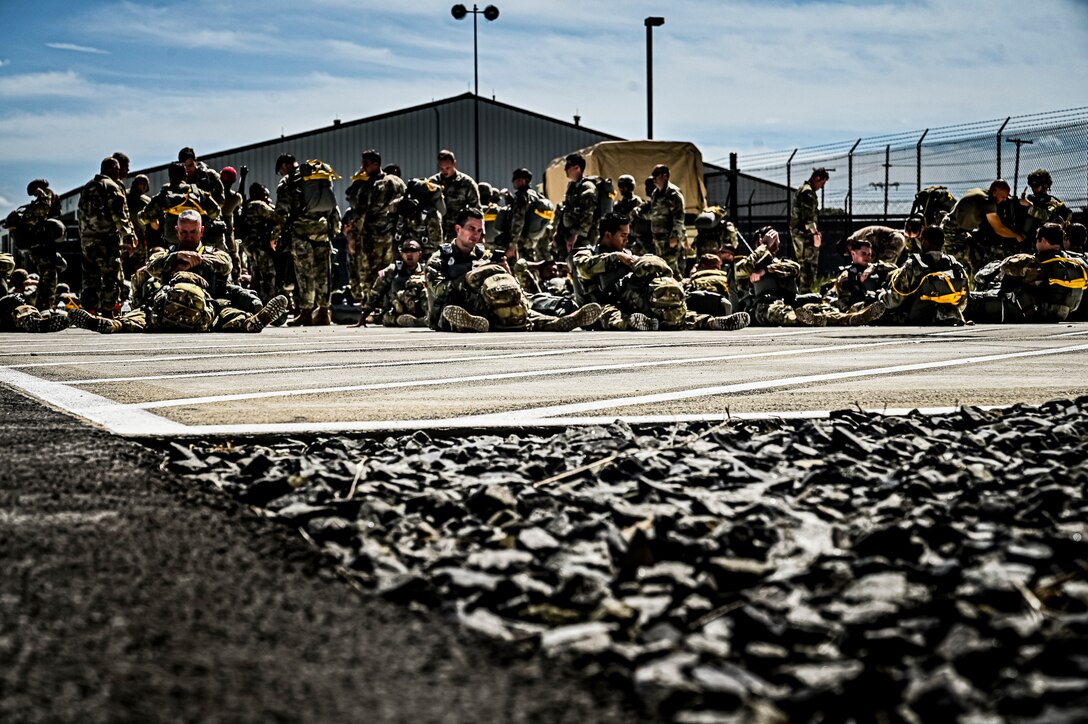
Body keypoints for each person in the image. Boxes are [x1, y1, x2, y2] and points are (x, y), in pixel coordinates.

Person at [70, 210, 287, 334]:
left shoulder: (213, 253)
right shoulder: (167, 254)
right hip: (166, 305)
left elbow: (227, 264)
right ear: (177, 231)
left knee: (227, 313)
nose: (189, 236)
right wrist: (176, 258)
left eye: (193, 232)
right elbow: (151, 266)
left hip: (208, 305)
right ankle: (109, 324)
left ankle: (252, 322)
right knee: (141, 315)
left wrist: (199, 259)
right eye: (184, 232)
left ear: (201, 231)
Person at [425, 208, 600, 333]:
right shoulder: (440, 258)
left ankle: (557, 322)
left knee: (514, 310)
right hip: (453, 308)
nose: (476, 235)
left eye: (479, 231)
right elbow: (438, 290)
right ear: (458, 229)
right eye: (471, 229)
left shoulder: (484, 255)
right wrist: (468, 278)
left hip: (486, 305)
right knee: (451, 312)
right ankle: (471, 323)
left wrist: (505, 272)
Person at [737, 226, 885, 327]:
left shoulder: (781, 262)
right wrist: (764, 246)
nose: (775, 243)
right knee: (780, 312)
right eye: (772, 240)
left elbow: (794, 268)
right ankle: (803, 320)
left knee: (819, 308)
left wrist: (766, 271)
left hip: (792, 301)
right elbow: (742, 269)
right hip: (764, 306)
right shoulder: (749, 264)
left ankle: (850, 318)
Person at [967, 223, 1086, 324]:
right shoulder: (1073, 262)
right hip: (1061, 313)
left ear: (1043, 240)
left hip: (1033, 312)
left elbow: (1004, 281)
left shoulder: (1035, 261)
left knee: (970, 300)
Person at [346, 150, 407, 323]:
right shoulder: (398, 183)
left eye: (366, 164)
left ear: (376, 164)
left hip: (371, 238)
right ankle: (388, 308)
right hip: (393, 237)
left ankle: (370, 310)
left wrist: (353, 238)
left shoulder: (368, 185)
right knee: (390, 272)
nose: (363, 167)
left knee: (370, 275)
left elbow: (360, 213)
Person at [275, 153, 335, 326]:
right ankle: (324, 312)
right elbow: (333, 208)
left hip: (302, 233)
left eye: (280, 171)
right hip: (323, 232)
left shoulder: (289, 181)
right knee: (324, 273)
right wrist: (333, 229)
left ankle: (306, 312)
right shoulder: (317, 175)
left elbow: (281, 211)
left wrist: (275, 235)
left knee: (305, 274)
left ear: (284, 166)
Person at [77, 157, 137, 317]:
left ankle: (89, 311)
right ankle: (107, 313)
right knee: (111, 277)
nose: (120, 173)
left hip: (87, 241)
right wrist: (129, 236)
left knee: (90, 277)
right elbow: (119, 214)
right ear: (110, 169)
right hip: (106, 240)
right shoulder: (111, 186)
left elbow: (80, 215)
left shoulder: (88, 187)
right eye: (117, 169)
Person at [884, 226, 970, 326]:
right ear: (942, 243)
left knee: (880, 305)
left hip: (919, 318)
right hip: (952, 316)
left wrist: (881, 296)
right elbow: (963, 302)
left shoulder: (914, 264)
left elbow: (895, 300)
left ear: (925, 241)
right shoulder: (955, 265)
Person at [3, 179, 66, 312]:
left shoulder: (42, 201)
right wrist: (42, 197)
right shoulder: (40, 203)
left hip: (40, 246)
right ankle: (44, 307)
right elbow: (42, 210)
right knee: (49, 277)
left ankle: (45, 306)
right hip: (41, 246)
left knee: (48, 276)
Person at [939, 179, 1023, 276]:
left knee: (974, 253)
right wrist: (1017, 236)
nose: (1004, 200)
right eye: (1003, 197)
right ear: (994, 192)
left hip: (948, 226)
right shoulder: (988, 202)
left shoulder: (978, 192)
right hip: (952, 234)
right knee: (976, 259)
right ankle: (976, 286)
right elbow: (999, 229)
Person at [140, 163, 222, 248]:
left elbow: (143, 218)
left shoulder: (163, 195)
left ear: (170, 177)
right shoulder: (197, 193)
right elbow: (215, 212)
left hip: (171, 244)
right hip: (197, 242)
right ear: (185, 175)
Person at [354, 238, 429, 327]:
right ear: (401, 253)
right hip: (396, 311)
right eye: (405, 251)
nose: (409, 254)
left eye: (413, 250)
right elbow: (375, 294)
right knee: (390, 317)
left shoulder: (427, 270)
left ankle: (427, 319)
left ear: (419, 253)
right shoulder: (392, 270)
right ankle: (407, 321)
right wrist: (363, 317)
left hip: (420, 308)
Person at [238, 183, 282, 311]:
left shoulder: (246, 206)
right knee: (268, 274)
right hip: (260, 246)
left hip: (250, 247)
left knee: (256, 276)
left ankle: (255, 304)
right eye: (265, 194)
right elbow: (278, 218)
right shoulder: (258, 205)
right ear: (257, 193)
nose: (267, 197)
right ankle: (269, 305)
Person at [829, 238, 897, 313]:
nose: (868, 257)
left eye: (869, 254)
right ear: (853, 253)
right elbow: (845, 307)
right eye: (863, 253)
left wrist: (875, 267)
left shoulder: (875, 268)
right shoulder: (846, 276)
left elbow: (896, 269)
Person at [790, 167, 829, 292]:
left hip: (798, 234)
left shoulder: (801, 190)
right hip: (805, 236)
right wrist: (815, 234)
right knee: (808, 267)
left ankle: (801, 293)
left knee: (802, 265)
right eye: (822, 183)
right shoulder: (808, 193)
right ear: (817, 178)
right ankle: (805, 296)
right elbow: (808, 219)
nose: (821, 187)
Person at [429, 149, 479, 241]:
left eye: (447, 168)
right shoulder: (432, 183)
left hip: (458, 232)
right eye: (441, 168)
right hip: (435, 232)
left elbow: (476, 209)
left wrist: (479, 233)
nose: (445, 171)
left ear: (454, 164)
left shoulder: (466, 183)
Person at [647, 164, 687, 277]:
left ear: (665, 176)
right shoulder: (656, 193)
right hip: (658, 238)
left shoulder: (673, 193)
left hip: (669, 238)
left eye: (656, 175)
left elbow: (679, 217)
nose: (653, 178)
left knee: (672, 269)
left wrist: (674, 235)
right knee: (661, 267)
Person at [556, 153, 598, 259]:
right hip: (570, 235)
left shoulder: (587, 186)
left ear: (577, 168)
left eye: (567, 166)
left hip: (582, 237)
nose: (565, 169)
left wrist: (575, 234)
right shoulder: (573, 186)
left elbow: (588, 213)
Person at [219, 166, 245, 281]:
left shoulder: (213, 198)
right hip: (229, 239)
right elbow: (240, 196)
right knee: (235, 268)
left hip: (216, 239)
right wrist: (243, 178)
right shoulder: (235, 198)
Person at [842, 224, 908, 265]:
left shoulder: (858, 239)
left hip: (894, 240)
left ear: (847, 244)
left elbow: (870, 253)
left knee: (884, 266)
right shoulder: (856, 238)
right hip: (895, 239)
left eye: (848, 251)